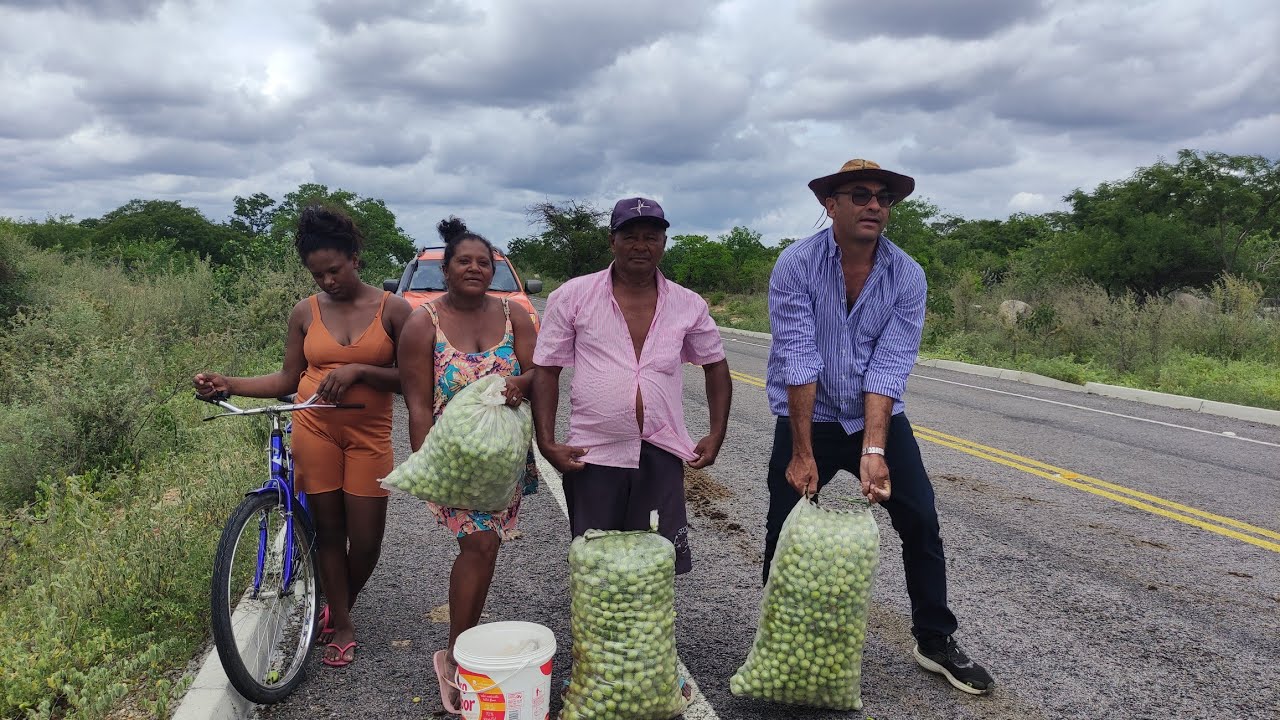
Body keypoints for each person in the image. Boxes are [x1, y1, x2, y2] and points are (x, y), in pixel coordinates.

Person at [763, 158, 995, 695]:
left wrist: (874, 446)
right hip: (809, 416)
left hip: (873, 415)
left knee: (920, 520)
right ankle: (779, 638)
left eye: (883, 198)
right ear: (831, 204)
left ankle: (934, 640)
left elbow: (889, 365)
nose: (874, 206)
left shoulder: (906, 274)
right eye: (861, 195)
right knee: (785, 526)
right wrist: (802, 451)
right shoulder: (796, 265)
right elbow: (798, 359)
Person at [194, 204, 411, 667]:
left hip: (369, 434)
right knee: (329, 533)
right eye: (318, 275)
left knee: (367, 540)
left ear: (355, 257)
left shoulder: (394, 310)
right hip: (314, 428)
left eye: (334, 270)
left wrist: (359, 370)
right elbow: (287, 380)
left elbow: (412, 378)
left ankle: (336, 601)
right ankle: (342, 622)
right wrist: (230, 384)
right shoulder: (304, 312)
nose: (328, 281)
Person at [533, 197, 732, 577]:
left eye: (651, 237)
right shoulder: (572, 296)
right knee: (596, 560)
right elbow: (546, 369)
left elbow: (716, 366)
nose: (641, 245)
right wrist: (546, 442)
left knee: (655, 559)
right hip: (593, 452)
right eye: (630, 236)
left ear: (663, 244)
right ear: (612, 242)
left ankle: (649, 635)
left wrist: (716, 432)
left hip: (660, 451)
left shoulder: (688, 304)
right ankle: (598, 633)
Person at [396, 217, 540, 713]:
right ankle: (458, 659)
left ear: (494, 269)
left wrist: (523, 385)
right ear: (448, 269)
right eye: (465, 261)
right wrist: (424, 462)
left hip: (503, 461)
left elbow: (540, 371)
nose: (475, 268)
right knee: (478, 545)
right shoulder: (423, 323)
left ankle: (463, 647)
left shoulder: (515, 315)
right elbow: (417, 401)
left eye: (484, 262)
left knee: (487, 549)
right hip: (454, 461)